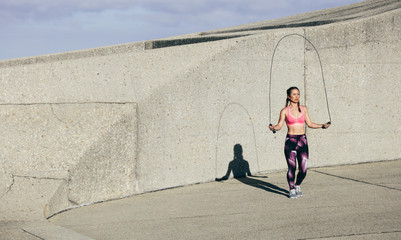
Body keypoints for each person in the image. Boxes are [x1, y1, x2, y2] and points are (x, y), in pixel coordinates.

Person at [269, 86, 330, 199]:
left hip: (302, 140)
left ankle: (297, 185)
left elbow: (310, 124)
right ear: (288, 96)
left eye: (298, 94)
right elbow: (279, 126)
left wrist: (322, 125)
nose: (296, 96)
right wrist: (273, 128)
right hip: (290, 141)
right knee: (291, 167)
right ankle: (291, 189)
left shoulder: (304, 109)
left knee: (303, 169)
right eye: (294, 94)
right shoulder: (284, 111)